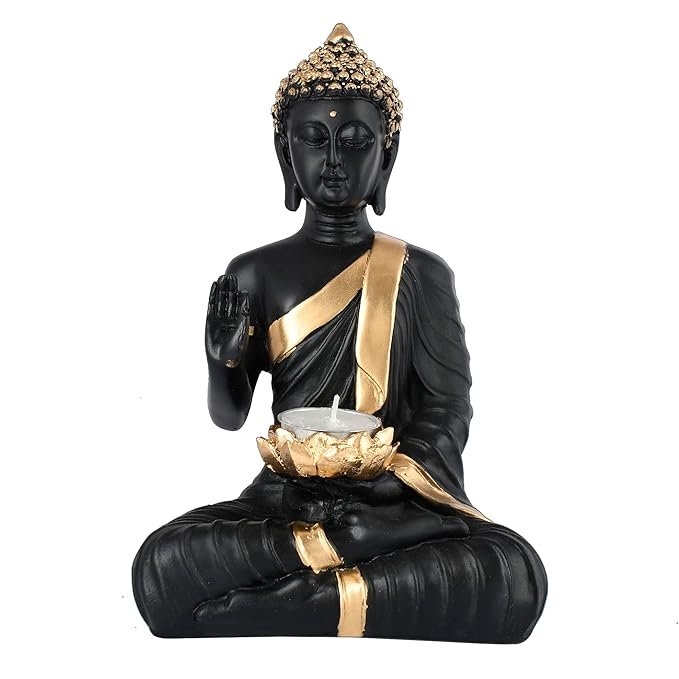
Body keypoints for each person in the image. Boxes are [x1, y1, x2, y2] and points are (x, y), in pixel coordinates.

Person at [132, 24, 547, 642]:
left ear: (387, 156)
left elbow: (446, 408)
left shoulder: (420, 274)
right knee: (159, 565)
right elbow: (230, 416)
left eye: (355, 142)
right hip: (284, 501)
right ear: (285, 155)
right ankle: (333, 573)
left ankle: (276, 605)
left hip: (391, 502)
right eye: (313, 139)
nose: (333, 161)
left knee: (514, 576)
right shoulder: (253, 273)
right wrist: (222, 363)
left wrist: (389, 488)